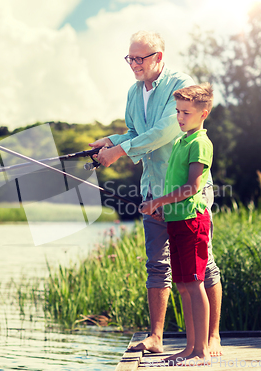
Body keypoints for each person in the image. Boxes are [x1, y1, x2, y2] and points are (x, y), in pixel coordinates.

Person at [89, 31, 222, 356]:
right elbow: (136, 132)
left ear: (158, 57)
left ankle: (211, 338)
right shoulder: (134, 93)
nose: (133, 64)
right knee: (157, 265)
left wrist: (120, 152)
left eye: (140, 58)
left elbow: (165, 131)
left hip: (187, 197)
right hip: (153, 192)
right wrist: (111, 140)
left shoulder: (181, 85)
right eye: (130, 58)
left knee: (203, 267)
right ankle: (156, 336)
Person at [139, 83, 214, 365]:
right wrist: (164, 210)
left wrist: (158, 202)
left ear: (203, 114)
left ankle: (202, 352)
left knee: (195, 284)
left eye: (186, 112)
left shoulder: (199, 143)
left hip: (193, 222)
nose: (180, 117)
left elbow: (193, 187)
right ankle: (190, 347)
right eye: (178, 112)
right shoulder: (182, 141)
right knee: (183, 284)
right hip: (177, 221)